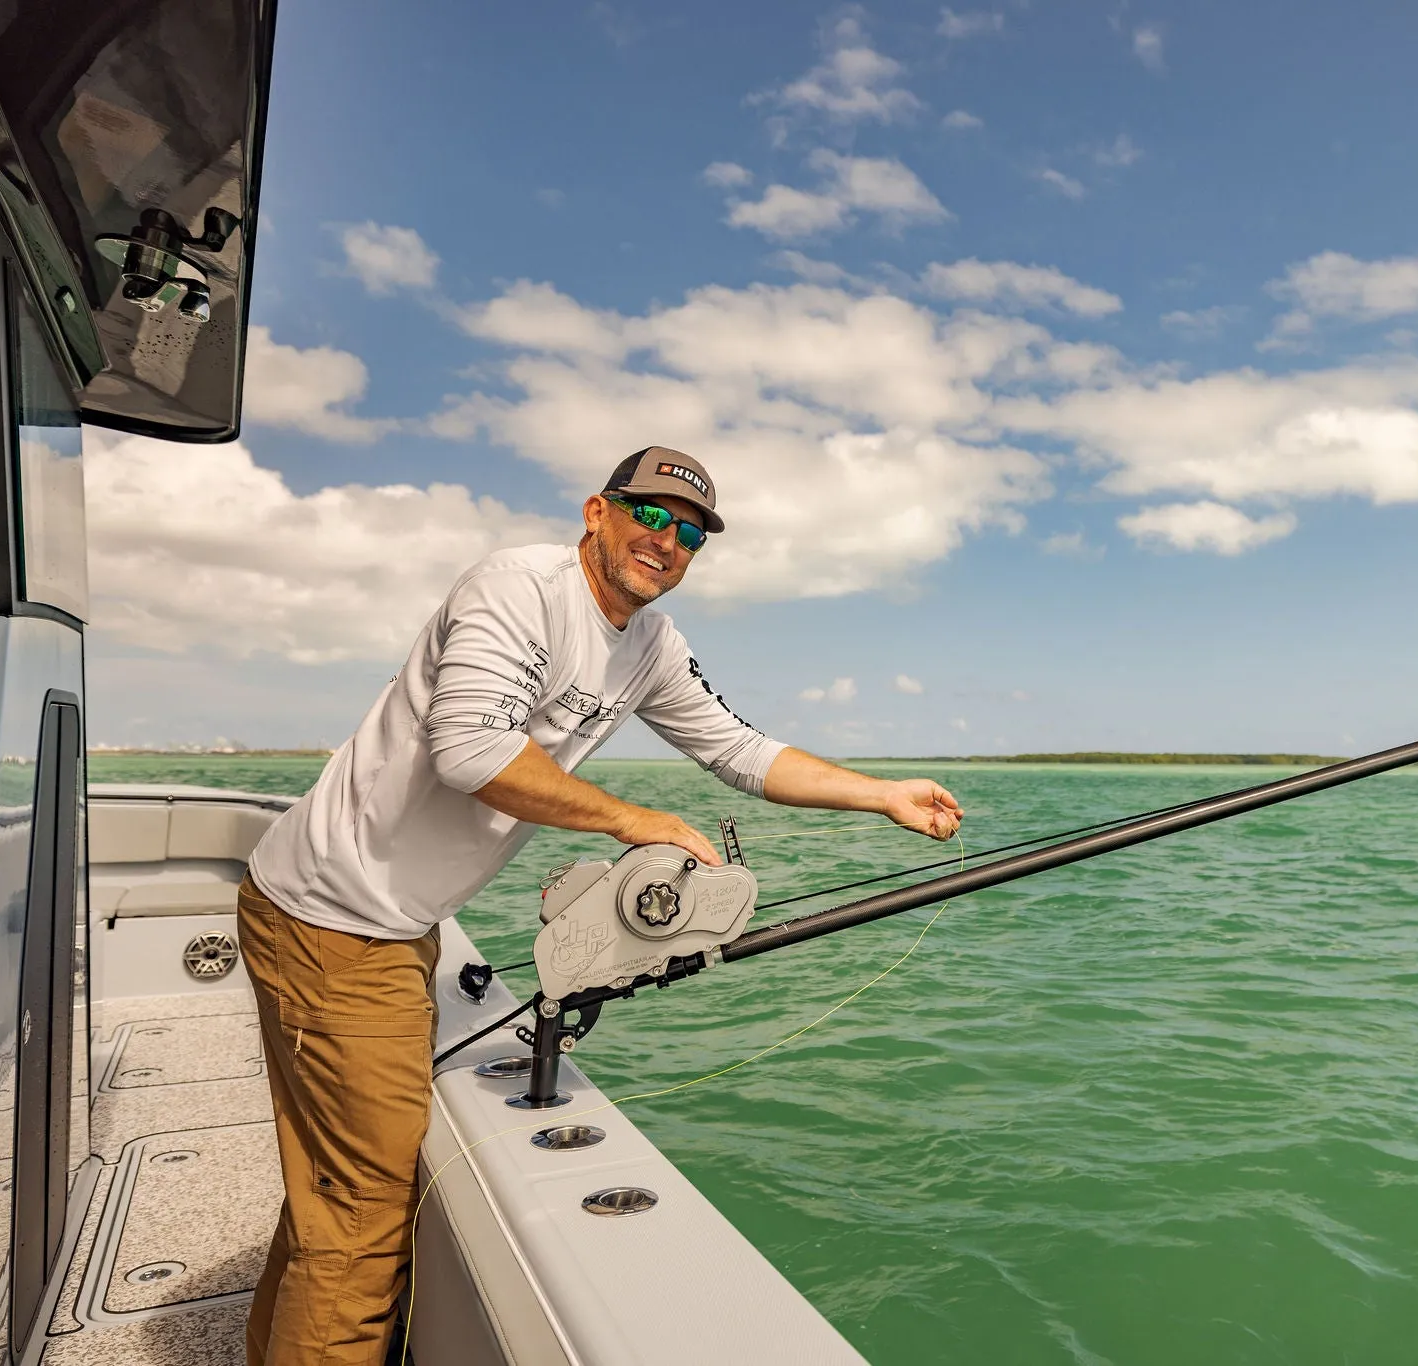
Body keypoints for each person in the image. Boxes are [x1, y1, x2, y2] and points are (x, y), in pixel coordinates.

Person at [235, 447, 963, 1365]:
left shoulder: (652, 646)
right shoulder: (519, 587)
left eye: (690, 532)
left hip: (393, 924)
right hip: (332, 920)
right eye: (649, 516)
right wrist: (628, 819)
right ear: (597, 512)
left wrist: (881, 794)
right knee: (361, 1220)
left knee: (333, 1192)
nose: (667, 542)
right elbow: (470, 749)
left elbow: (739, 749)